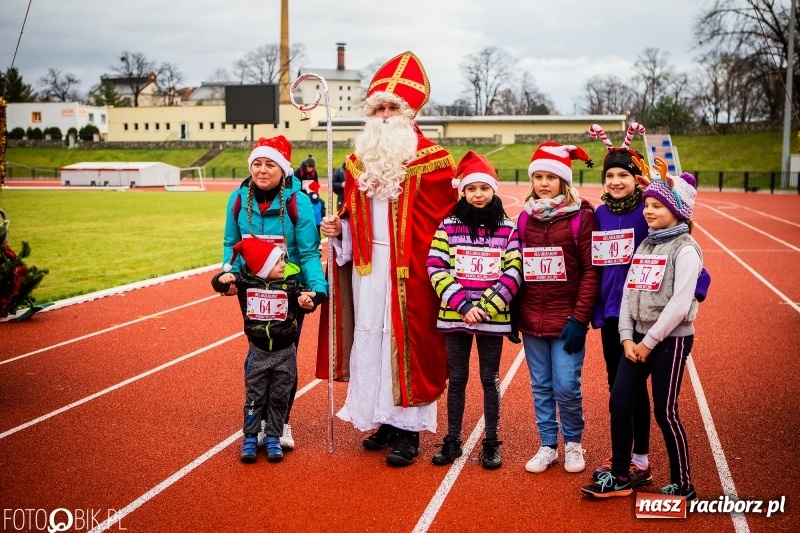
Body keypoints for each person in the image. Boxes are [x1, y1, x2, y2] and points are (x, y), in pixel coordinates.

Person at [319, 51, 458, 467]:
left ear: (408, 113)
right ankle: (382, 418)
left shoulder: (433, 162)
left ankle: (409, 431)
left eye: (391, 107)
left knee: (406, 344)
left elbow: (442, 222)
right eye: (377, 107)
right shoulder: (358, 162)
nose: (382, 114)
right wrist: (338, 228)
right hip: (366, 268)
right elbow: (353, 214)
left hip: (410, 269)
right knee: (372, 338)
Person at [582, 159, 703, 500]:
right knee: (620, 401)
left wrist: (647, 342)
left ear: (677, 210)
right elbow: (628, 295)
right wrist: (625, 336)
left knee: (666, 412)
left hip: (669, 341)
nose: (648, 211)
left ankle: (683, 484)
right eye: (647, 205)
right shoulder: (646, 244)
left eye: (656, 205)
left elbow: (680, 305)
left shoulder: (686, 249)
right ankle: (621, 474)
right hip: (633, 339)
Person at [222, 135, 327, 451]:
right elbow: (231, 243)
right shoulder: (238, 199)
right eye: (257, 163)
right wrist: (226, 273)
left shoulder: (299, 203)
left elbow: (308, 252)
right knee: (257, 352)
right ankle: (256, 421)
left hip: (289, 292)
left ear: (283, 170)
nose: (263, 170)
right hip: (251, 290)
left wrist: (317, 290)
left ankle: (280, 423)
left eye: (270, 164)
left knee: (285, 356)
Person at [426, 151, 522, 469]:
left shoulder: (508, 229)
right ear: (463, 192)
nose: (478, 194)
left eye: (484, 188)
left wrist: (484, 308)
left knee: (489, 378)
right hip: (456, 317)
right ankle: (452, 440)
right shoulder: (448, 226)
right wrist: (464, 306)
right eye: (471, 189)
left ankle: (492, 442)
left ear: (493, 190)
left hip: (492, 320)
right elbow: (436, 266)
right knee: (457, 379)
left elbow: (514, 272)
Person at [517, 142, 600, 475]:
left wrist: (579, 319)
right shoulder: (524, 219)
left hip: (568, 319)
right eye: (537, 176)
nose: (543, 183)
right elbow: (516, 268)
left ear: (563, 181)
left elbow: (591, 270)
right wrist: (513, 316)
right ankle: (548, 444)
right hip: (532, 319)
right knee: (541, 385)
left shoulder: (582, 217)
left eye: (550, 176)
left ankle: (574, 443)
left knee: (566, 385)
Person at [587, 125, 654, 487]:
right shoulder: (600, 214)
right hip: (611, 316)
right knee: (618, 387)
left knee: (634, 389)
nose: (615, 180)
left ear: (635, 178)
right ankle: (625, 455)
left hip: (641, 315)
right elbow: (597, 266)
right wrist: (597, 312)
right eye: (610, 175)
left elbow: (679, 236)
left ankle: (639, 457)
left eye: (623, 175)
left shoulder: (649, 211)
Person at [212, 239, 316, 463]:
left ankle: (273, 438)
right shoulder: (246, 284)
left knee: (280, 398)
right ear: (262, 267)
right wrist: (222, 278)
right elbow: (218, 285)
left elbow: (304, 298)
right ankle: (249, 437)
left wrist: (306, 301)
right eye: (277, 261)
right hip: (258, 352)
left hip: (285, 353)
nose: (283, 264)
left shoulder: (290, 283)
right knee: (254, 398)